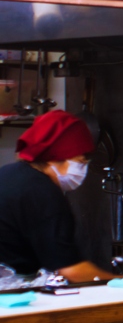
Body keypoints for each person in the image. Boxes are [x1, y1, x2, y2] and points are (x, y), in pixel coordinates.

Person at [0, 110, 114, 283]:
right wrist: (120, 282)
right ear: (56, 157)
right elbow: (71, 270)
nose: (83, 170)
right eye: (81, 161)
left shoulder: (8, 173)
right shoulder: (43, 193)